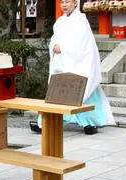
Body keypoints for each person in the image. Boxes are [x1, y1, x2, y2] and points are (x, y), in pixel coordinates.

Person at [29, 0, 115, 135]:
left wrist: (63, 48)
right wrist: (55, 46)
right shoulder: (60, 22)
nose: (64, 5)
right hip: (62, 62)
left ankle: (89, 123)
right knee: (59, 92)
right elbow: (54, 40)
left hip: (78, 64)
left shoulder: (81, 20)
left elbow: (82, 44)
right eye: (62, 2)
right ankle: (45, 122)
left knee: (79, 93)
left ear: (75, 3)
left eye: (67, 2)